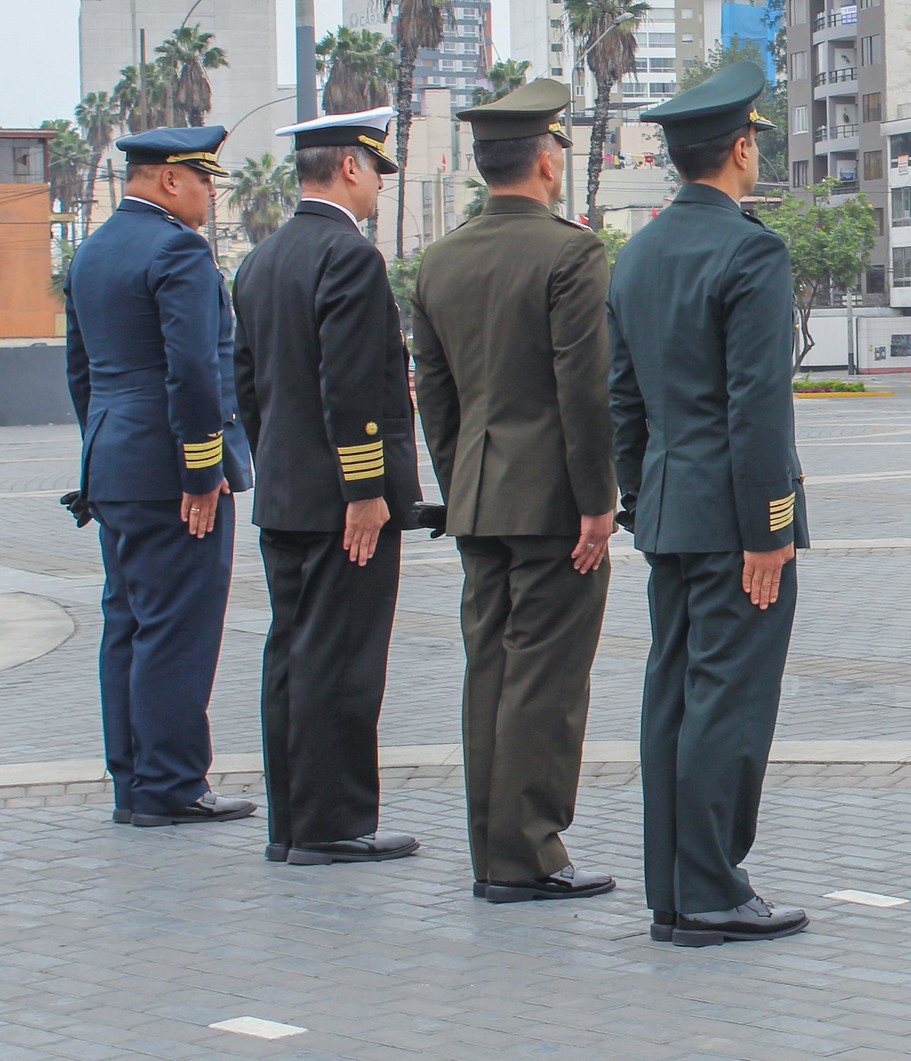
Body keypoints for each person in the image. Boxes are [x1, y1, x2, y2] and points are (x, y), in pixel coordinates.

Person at [610, 63, 809, 947]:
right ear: (737, 148)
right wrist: (769, 528)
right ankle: (713, 891)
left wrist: (636, 497)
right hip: (735, 523)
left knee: (673, 698)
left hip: (667, 511)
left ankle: (673, 887)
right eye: (755, 139)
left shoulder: (639, 252)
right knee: (728, 701)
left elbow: (623, 400)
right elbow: (756, 403)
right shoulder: (751, 250)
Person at [411, 79, 616, 904]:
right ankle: (529, 852)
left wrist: (462, 479)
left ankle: (493, 852)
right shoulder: (571, 252)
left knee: (488, 672)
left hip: (478, 498)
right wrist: (597, 501)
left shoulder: (440, 257)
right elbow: (583, 390)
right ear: (544, 158)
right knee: (546, 682)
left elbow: (434, 391)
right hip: (555, 504)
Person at [233, 108, 423, 866]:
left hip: (286, 493)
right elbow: (350, 385)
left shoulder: (262, 258)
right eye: (376, 169)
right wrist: (364, 488)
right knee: (340, 662)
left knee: (290, 658)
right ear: (349, 167)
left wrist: (281, 463)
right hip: (343, 505)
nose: (379, 185)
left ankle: (292, 821)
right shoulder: (349, 257)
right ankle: (334, 823)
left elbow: (249, 386)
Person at [63, 126, 255, 829]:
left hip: (114, 460)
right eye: (206, 179)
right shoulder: (176, 249)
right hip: (173, 470)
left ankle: (133, 780)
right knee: (177, 626)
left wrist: (102, 449)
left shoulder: (92, 251)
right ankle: (173, 784)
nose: (210, 193)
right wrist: (203, 469)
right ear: (171, 179)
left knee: (129, 622)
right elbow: (194, 368)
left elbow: (80, 370)